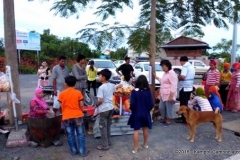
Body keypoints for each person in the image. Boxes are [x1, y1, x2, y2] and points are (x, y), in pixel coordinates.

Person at [58, 75, 89, 157]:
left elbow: (61, 106)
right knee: (80, 134)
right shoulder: (78, 93)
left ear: (65, 84)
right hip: (77, 116)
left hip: (67, 116)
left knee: (70, 134)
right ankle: (83, 152)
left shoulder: (61, 94)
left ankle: (74, 151)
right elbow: (81, 105)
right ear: (75, 84)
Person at [95, 69, 122, 150]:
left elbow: (100, 100)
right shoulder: (111, 85)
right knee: (108, 126)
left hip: (103, 109)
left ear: (104, 77)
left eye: (99, 75)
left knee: (103, 127)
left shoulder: (101, 88)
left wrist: (96, 105)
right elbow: (117, 87)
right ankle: (108, 142)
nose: (99, 77)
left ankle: (104, 145)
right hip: (110, 108)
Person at [128, 75, 154, 154]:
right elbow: (151, 104)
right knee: (145, 129)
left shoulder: (134, 92)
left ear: (137, 82)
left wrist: (133, 110)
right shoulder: (148, 91)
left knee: (136, 130)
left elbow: (132, 104)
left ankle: (135, 149)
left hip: (136, 113)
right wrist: (147, 110)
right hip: (146, 113)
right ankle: (145, 144)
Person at [153, 60, 178, 127]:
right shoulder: (165, 73)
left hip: (169, 93)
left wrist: (171, 96)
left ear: (167, 66)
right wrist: (156, 77)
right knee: (161, 107)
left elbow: (174, 85)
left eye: (163, 66)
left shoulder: (172, 73)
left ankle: (168, 120)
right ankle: (165, 118)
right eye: (162, 66)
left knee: (168, 107)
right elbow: (162, 81)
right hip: (163, 93)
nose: (162, 68)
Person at [175, 56, 195, 123]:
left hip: (184, 87)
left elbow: (183, 77)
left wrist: (178, 77)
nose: (181, 63)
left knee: (183, 104)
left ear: (182, 61)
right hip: (189, 87)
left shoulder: (185, 66)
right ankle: (187, 117)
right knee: (186, 104)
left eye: (181, 62)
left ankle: (183, 118)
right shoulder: (191, 66)